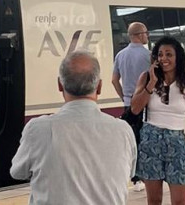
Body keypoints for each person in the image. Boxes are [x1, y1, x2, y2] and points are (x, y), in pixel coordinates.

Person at [10, 50, 135, 205]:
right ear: (100, 87)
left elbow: (17, 172)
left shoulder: (38, 129)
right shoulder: (123, 130)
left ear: (59, 85)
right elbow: (129, 172)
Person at [131, 36, 185, 205]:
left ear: (178, 57)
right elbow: (135, 108)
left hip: (177, 143)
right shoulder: (146, 78)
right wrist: (151, 84)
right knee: (154, 200)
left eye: (169, 54)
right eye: (160, 54)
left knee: (180, 201)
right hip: (150, 142)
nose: (164, 59)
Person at [111, 22, 150, 192]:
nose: (147, 36)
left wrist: (124, 97)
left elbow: (114, 80)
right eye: (146, 33)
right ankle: (147, 176)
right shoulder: (149, 55)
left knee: (133, 140)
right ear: (140, 35)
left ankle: (135, 180)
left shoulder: (120, 55)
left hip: (128, 104)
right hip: (146, 104)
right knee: (146, 140)